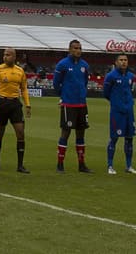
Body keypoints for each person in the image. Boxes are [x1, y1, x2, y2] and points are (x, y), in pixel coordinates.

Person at [52, 39, 92, 173]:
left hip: (81, 103)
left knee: (81, 133)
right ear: (69, 49)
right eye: (75, 48)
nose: (78, 50)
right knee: (66, 132)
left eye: (80, 48)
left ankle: (81, 164)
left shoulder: (85, 65)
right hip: (68, 103)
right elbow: (56, 84)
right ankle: (60, 164)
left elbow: (85, 82)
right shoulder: (62, 64)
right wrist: (63, 96)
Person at [0, 47, 30, 173]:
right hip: (2, 103)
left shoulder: (20, 71)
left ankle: (20, 165)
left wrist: (27, 105)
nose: (5, 57)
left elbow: (23, 89)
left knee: (20, 133)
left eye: (8, 55)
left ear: (14, 57)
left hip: (15, 104)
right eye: (4, 55)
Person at [103, 53, 136, 174]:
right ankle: (110, 166)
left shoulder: (131, 76)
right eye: (121, 60)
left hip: (129, 111)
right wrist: (116, 103)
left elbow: (129, 90)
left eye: (125, 60)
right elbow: (106, 93)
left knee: (129, 138)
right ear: (116, 62)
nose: (123, 62)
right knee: (114, 138)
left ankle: (129, 166)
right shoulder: (110, 76)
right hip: (117, 112)